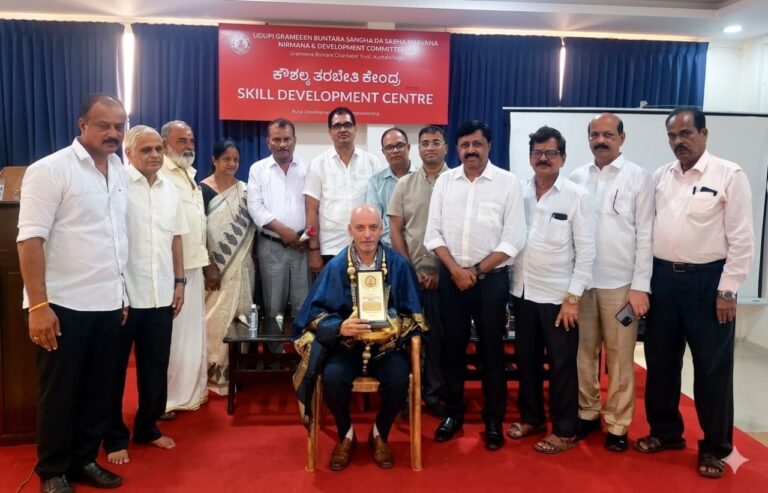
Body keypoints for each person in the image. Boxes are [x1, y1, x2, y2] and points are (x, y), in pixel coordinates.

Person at [18, 93, 127, 492]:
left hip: (107, 301)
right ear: (82, 125)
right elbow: (30, 240)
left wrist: (122, 295)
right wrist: (39, 305)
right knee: (59, 393)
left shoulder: (118, 168)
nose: (113, 133)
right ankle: (53, 471)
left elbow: (116, 237)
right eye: (103, 125)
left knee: (98, 391)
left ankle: (84, 460)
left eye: (119, 126)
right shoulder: (50, 170)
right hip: (63, 305)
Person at [637, 107, 754, 479]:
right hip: (663, 281)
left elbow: (742, 239)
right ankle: (665, 432)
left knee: (711, 369)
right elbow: (648, 232)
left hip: (708, 284)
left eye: (686, 133)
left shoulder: (729, 175)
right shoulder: (660, 177)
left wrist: (728, 290)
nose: (679, 142)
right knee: (660, 363)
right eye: (672, 136)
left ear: (704, 134)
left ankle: (716, 447)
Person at [292, 204, 425, 471]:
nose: (367, 234)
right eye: (360, 228)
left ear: (382, 229)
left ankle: (379, 434)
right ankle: (346, 435)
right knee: (332, 378)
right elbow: (313, 314)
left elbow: (415, 316)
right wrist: (340, 327)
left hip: (386, 346)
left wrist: (393, 327)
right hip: (347, 345)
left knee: (399, 379)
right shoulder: (336, 266)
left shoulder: (398, 265)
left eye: (373, 227)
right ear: (350, 230)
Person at [424, 120, 526, 451]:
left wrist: (476, 271)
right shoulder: (445, 182)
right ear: (457, 148)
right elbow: (433, 234)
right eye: (465, 144)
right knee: (452, 348)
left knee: (492, 351)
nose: (471, 150)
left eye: (477, 144)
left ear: (489, 146)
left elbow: (513, 239)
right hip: (452, 279)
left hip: (491, 281)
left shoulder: (507, 183)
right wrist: (456, 270)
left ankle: (493, 419)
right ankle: (453, 413)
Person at [568, 113, 654, 452]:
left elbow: (646, 234)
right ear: (588, 138)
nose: (600, 140)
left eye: (608, 134)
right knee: (583, 354)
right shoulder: (576, 177)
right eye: (595, 135)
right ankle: (587, 413)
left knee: (619, 358)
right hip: (583, 284)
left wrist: (640, 285)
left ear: (622, 138)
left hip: (621, 286)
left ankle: (617, 424)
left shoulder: (638, 178)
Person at [103, 125, 187, 465]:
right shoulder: (116, 185)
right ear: (128, 153)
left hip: (161, 294)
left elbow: (176, 237)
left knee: (155, 368)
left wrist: (180, 281)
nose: (154, 155)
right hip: (123, 297)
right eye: (146, 150)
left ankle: (147, 427)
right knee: (113, 372)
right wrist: (115, 289)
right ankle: (113, 437)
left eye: (158, 149)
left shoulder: (170, 189)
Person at [509, 126, 595, 454]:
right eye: (537, 153)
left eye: (550, 153)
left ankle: (565, 430)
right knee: (526, 362)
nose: (543, 158)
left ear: (563, 157)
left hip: (559, 299)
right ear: (530, 156)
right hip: (522, 293)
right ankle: (532, 419)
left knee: (561, 366)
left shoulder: (576, 196)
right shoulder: (518, 191)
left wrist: (573, 299)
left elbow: (586, 252)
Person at [388, 125, 450, 416]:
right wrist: (409, 271)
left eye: (436, 142)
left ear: (446, 147)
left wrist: (443, 273)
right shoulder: (404, 184)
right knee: (404, 337)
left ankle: (434, 395)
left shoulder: (457, 182)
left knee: (438, 340)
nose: (430, 147)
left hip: (445, 277)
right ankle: (403, 394)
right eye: (425, 143)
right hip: (409, 277)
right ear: (417, 148)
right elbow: (395, 230)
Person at [160, 120, 212, 418]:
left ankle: (192, 392)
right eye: (182, 141)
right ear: (165, 145)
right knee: (174, 338)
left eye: (191, 140)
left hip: (194, 264)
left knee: (192, 335)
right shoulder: (161, 174)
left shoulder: (189, 173)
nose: (189, 146)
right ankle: (167, 399)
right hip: (172, 270)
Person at [248, 118, 310, 353]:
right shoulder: (258, 169)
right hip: (272, 246)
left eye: (287, 139)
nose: (282, 144)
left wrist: (305, 235)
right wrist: (284, 232)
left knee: (303, 304)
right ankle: (274, 357)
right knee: (274, 306)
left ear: (295, 141)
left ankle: (302, 356)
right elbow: (255, 208)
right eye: (277, 139)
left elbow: (314, 205)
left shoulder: (308, 169)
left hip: (302, 246)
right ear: (268, 142)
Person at [200, 140, 257, 394]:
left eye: (236, 159)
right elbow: (197, 232)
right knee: (214, 320)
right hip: (214, 270)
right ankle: (214, 376)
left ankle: (238, 373)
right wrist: (208, 264)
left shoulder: (245, 191)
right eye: (226, 159)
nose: (232, 164)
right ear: (214, 160)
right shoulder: (201, 190)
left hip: (243, 267)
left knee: (241, 317)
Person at [304, 107, 384, 273]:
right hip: (331, 247)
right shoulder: (317, 164)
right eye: (337, 126)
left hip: (367, 245)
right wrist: (314, 250)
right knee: (335, 291)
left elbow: (380, 206)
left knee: (368, 289)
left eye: (347, 125)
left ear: (355, 129)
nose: (342, 130)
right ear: (330, 132)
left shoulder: (372, 162)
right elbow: (311, 211)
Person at [366, 127, 414, 246]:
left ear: (408, 147)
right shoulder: (375, 182)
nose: (395, 150)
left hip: (419, 248)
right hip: (387, 248)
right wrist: (396, 242)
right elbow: (374, 221)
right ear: (383, 152)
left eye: (399, 145)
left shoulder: (422, 178)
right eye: (389, 147)